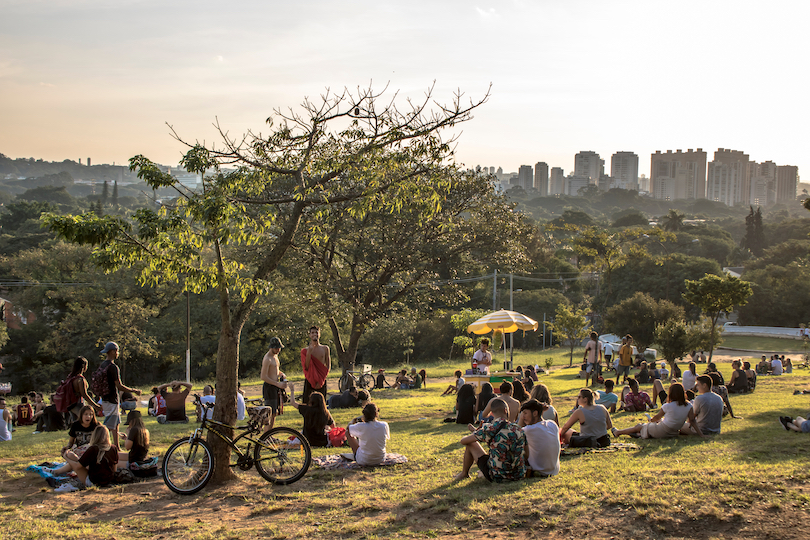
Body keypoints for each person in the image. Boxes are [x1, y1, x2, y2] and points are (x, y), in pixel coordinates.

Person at [453, 399, 526, 482]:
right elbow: (526, 453)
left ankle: (464, 473)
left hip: (497, 475)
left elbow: (463, 441)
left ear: (491, 413)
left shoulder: (489, 429)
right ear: (506, 410)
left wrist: (476, 433)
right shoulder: (519, 429)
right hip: (518, 475)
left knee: (471, 444)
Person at [613, 383, 703, 439]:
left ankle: (618, 432)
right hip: (674, 433)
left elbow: (656, 418)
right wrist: (701, 434)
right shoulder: (689, 406)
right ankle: (637, 434)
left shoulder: (667, 406)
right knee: (648, 426)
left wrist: (651, 420)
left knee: (640, 426)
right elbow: (693, 421)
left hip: (662, 431)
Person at [96, 341, 141, 448]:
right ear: (112, 352)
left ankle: (116, 446)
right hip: (112, 398)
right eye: (117, 351)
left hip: (105, 397)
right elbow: (119, 386)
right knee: (108, 424)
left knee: (115, 423)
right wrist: (134, 390)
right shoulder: (113, 367)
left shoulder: (102, 365)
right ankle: (97, 441)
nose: (118, 353)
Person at [52, 425, 118, 492]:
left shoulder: (93, 449)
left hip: (94, 482)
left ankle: (56, 472)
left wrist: (66, 457)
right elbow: (114, 469)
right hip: (109, 481)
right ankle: (57, 471)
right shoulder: (113, 448)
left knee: (75, 463)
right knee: (76, 460)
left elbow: (77, 466)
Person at [518, 399, 560, 477]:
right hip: (554, 470)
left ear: (535, 413)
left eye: (525, 413)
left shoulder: (528, 430)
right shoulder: (552, 424)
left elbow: (515, 433)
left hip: (538, 470)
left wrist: (521, 419)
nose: (523, 417)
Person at [260, 337, 288, 430]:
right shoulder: (267, 358)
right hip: (269, 387)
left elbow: (275, 370)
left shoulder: (275, 357)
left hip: (276, 387)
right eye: (276, 348)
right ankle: (266, 435)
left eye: (279, 348)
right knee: (269, 413)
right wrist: (277, 384)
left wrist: (281, 374)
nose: (278, 350)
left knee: (274, 412)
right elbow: (263, 376)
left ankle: (270, 434)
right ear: (271, 347)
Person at [63, 356, 102, 421]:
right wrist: (95, 405)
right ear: (84, 366)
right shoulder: (80, 380)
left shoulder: (71, 377)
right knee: (86, 421)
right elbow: (84, 395)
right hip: (78, 403)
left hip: (70, 404)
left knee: (76, 422)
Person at [300, 326, 330, 402]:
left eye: (316, 332)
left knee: (321, 404)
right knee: (308, 404)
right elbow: (306, 367)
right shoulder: (305, 351)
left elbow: (328, 365)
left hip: (322, 380)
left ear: (319, 334)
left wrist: (322, 379)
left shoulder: (325, 348)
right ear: (309, 335)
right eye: (312, 333)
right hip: (310, 380)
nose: (314, 334)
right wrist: (309, 353)